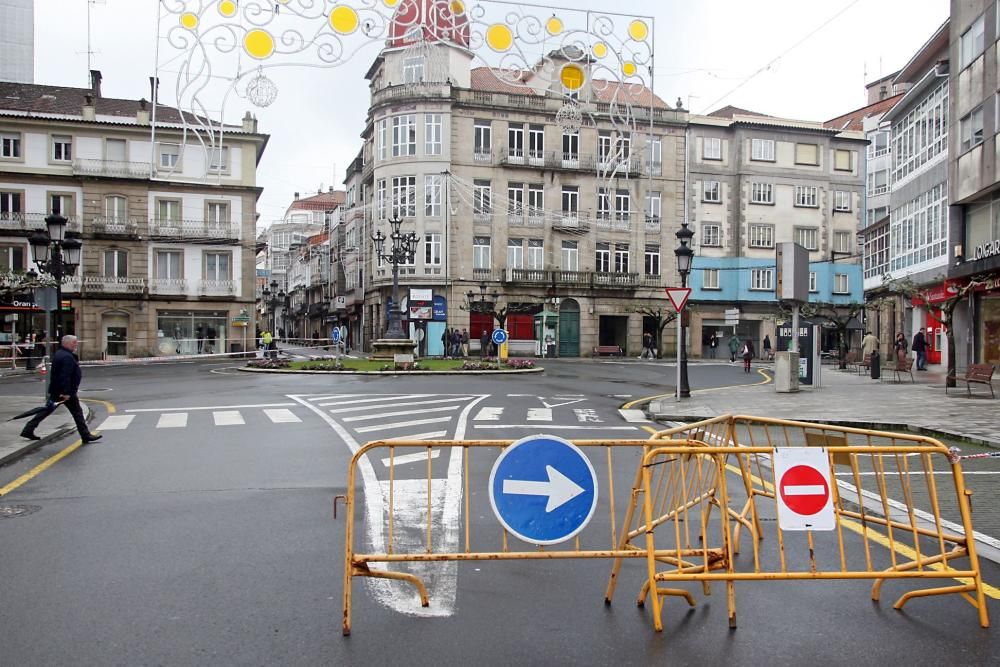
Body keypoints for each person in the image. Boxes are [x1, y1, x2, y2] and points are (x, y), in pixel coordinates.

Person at [20, 335, 102, 443]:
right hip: (64, 392)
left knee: (48, 410)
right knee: (77, 412)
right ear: (67, 343)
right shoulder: (66, 357)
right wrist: (66, 392)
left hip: (58, 390)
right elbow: (65, 375)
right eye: (74, 343)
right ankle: (85, 435)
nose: (76, 344)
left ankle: (28, 429)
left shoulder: (60, 354)